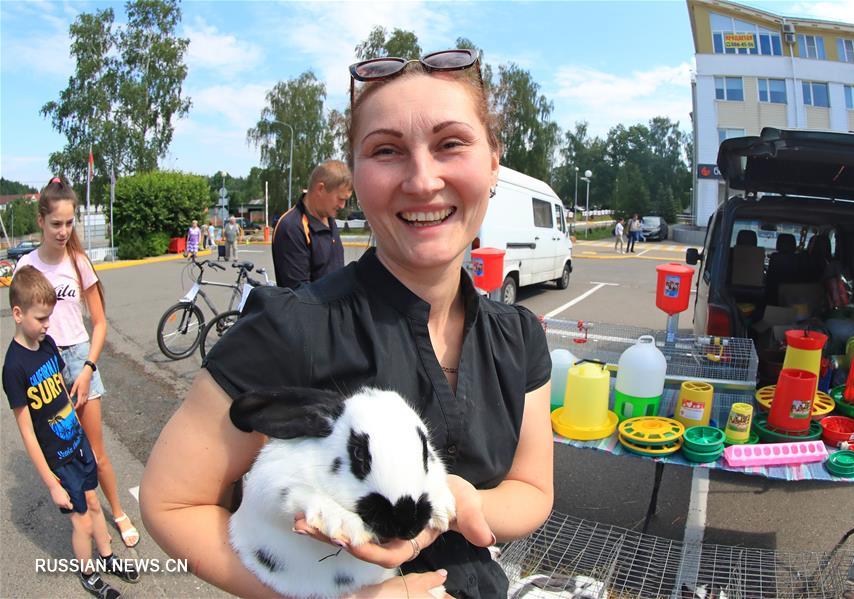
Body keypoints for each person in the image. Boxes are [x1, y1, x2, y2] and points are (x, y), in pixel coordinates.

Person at [141, 48, 553, 599]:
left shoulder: (517, 336)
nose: (423, 179)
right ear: (355, 175)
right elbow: (171, 503)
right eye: (386, 150)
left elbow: (531, 487)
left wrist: (462, 503)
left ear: (494, 159)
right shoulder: (291, 329)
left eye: (451, 143)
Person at [15, 177, 140, 550]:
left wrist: (87, 368)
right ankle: (86, 519)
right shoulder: (27, 264)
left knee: (97, 452)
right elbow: (23, 326)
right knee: (66, 453)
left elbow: (100, 323)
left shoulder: (79, 262)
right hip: (45, 365)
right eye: (56, 224)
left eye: (70, 223)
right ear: (41, 221)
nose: (63, 231)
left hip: (79, 359)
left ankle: (117, 511)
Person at [3, 266, 139, 598]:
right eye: (40, 319)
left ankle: (106, 556)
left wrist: (80, 433)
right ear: (18, 314)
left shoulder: (47, 345)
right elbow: (27, 432)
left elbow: (63, 393)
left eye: (49, 317)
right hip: (58, 461)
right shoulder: (14, 368)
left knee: (93, 503)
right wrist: (51, 483)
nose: (47, 325)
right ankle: (88, 572)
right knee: (80, 519)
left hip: (76, 444)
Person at [271, 160, 352, 288]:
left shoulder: (329, 218)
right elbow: (300, 295)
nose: (342, 206)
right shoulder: (291, 227)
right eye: (340, 199)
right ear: (320, 189)